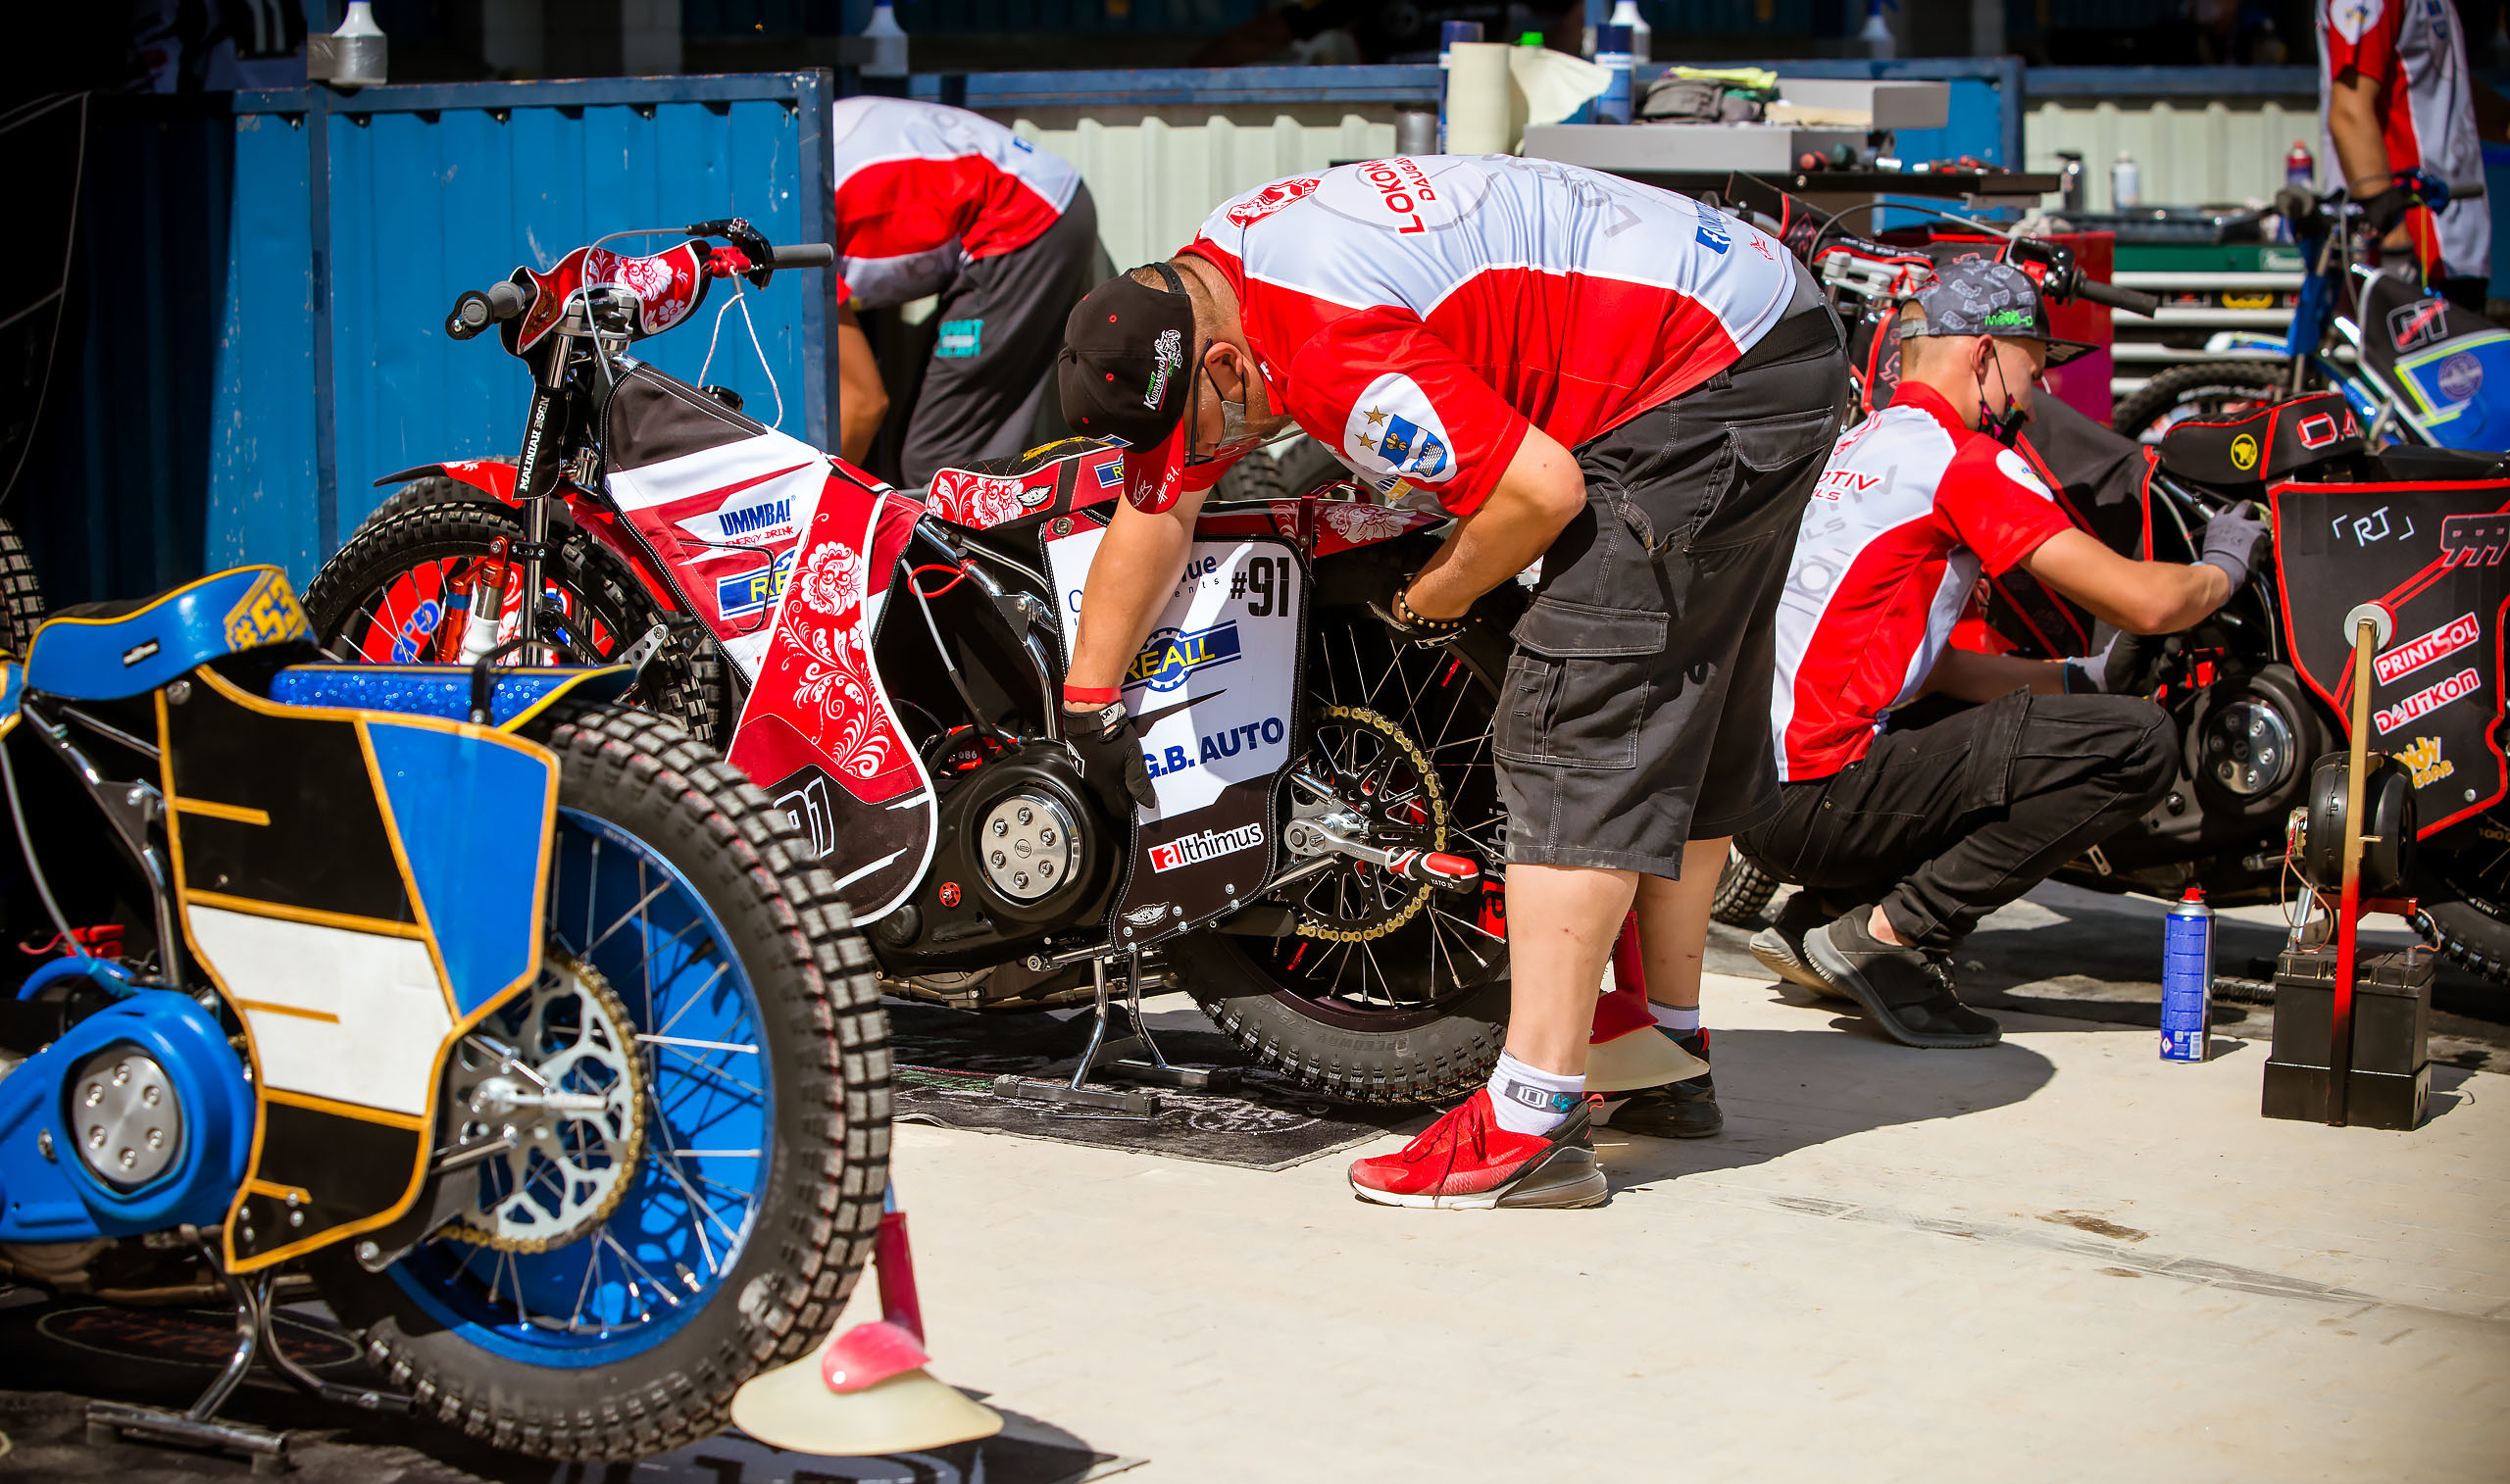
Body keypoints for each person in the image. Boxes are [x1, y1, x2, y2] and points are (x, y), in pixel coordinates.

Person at [1051, 154, 1848, 1209]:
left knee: (1571, 722)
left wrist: (1436, 595)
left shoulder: (1323, 344)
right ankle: (1663, 1057)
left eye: (1196, 431)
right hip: (1764, 328)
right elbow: (1158, 512)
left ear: (1227, 371)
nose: (1203, 455)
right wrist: (1089, 695)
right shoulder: (1218, 278)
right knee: (1683, 699)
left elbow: (1537, 491)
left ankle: (1530, 1119)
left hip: (1705, 377)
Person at [1737, 259, 2268, 1049]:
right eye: (2034, 367)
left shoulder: (1861, 443)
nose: (2037, 393)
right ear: (1983, 354)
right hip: (1821, 800)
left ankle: (1817, 918)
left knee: (1976, 721)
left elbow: (1928, 668)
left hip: (1755, 799)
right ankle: (1889, 935)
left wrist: (2074, 678)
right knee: (2135, 743)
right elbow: (2148, 603)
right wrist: (2225, 562)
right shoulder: (1963, 459)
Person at [828, 98, 1098, 485]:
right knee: (926, 449)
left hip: (1025, 217)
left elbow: (862, 404)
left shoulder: (784, 217)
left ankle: (986, 542)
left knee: (941, 463)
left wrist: (806, 521)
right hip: (1030, 200)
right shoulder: (786, 159)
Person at [2319, 0, 2492, 312]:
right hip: (2412, 251)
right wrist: (2395, 244)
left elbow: (2445, 90)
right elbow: (2349, 114)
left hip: (2453, 250)